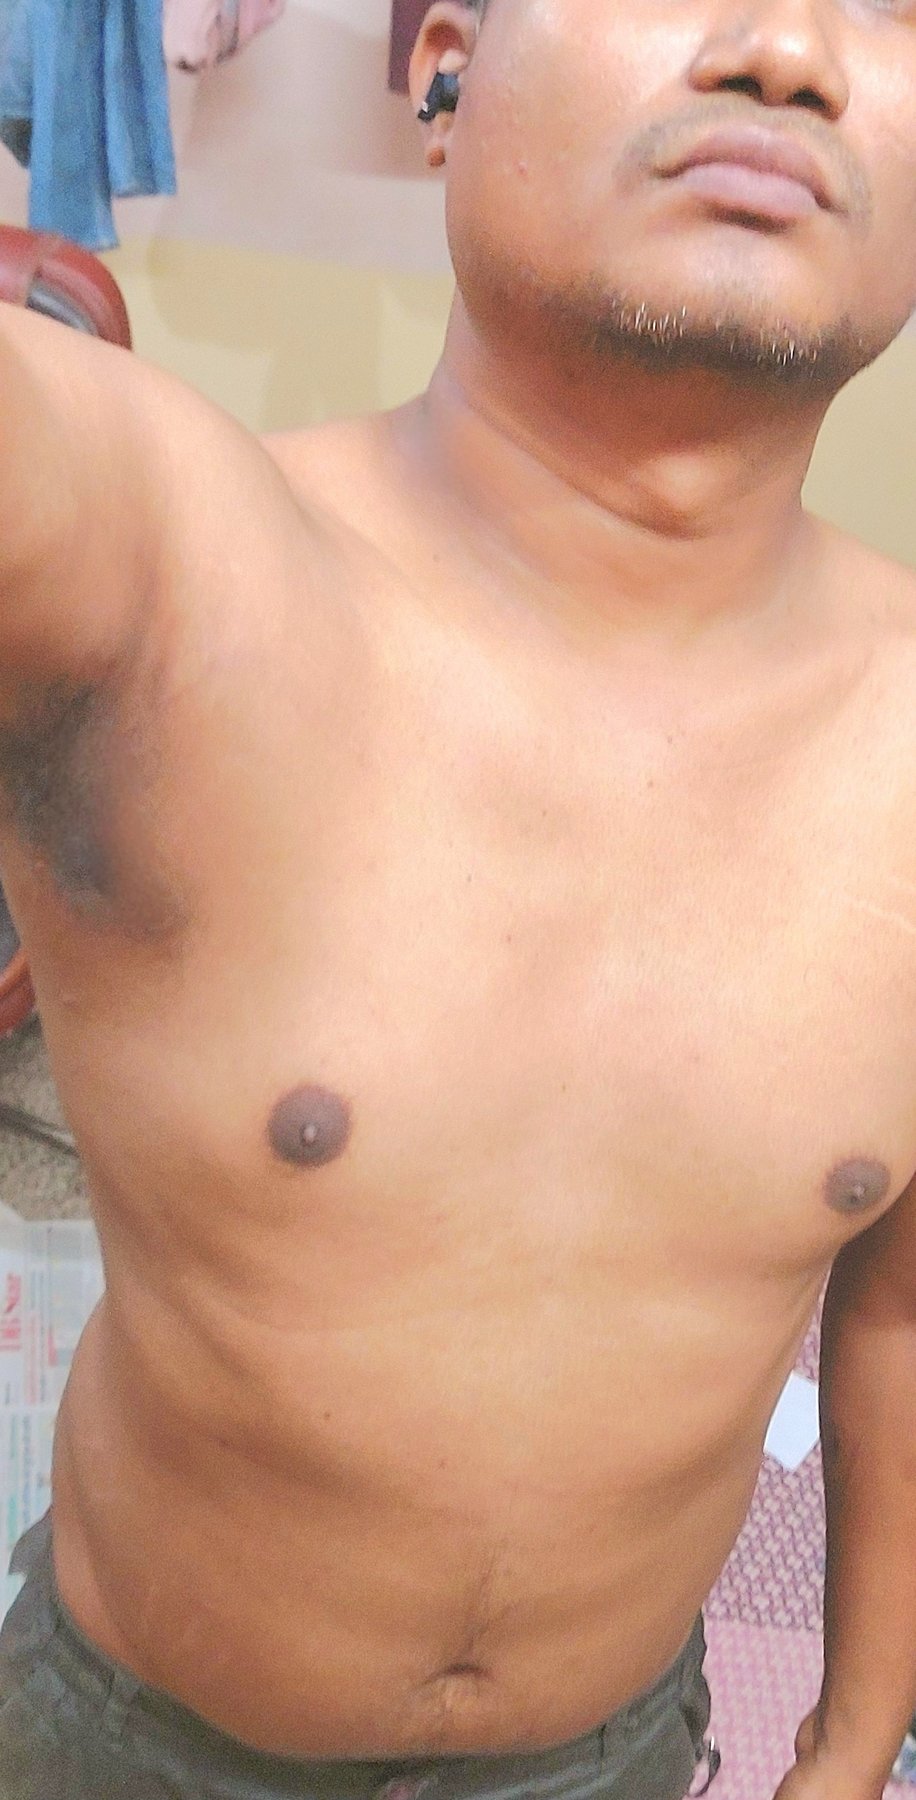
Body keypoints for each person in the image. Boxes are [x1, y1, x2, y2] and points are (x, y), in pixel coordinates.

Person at [0, 0, 915, 1795]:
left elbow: (897, 1296)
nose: (788, 48)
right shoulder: (166, 571)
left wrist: (862, 1720)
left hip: (615, 1754)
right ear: (445, 67)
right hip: (131, 1744)